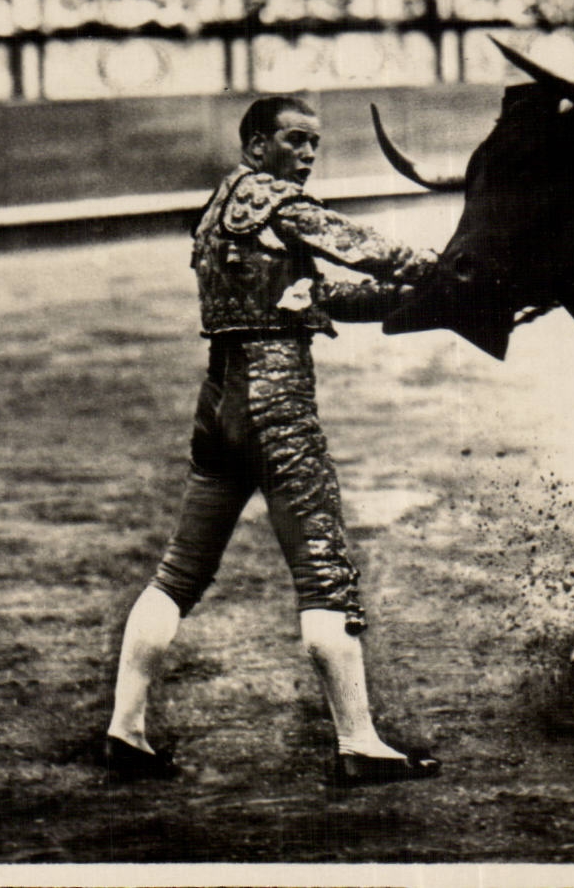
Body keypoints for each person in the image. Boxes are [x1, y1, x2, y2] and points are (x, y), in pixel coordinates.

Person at [102, 95, 442, 787]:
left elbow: (323, 297)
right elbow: (373, 251)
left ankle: (125, 728)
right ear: (256, 144)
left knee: (179, 571)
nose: (307, 155)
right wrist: (459, 272)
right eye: (293, 140)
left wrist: (430, 302)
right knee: (324, 571)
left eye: (315, 143)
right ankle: (359, 741)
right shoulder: (281, 205)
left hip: (219, 404)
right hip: (276, 407)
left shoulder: (217, 213)